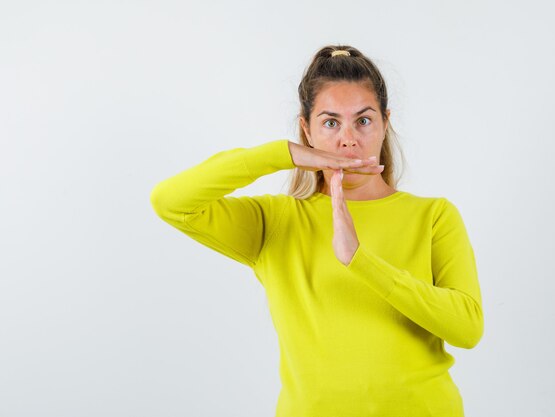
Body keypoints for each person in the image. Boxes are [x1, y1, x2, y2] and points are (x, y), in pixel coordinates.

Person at [150, 45, 484, 417]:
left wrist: (360, 260)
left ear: (385, 123)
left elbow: (467, 328)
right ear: (306, 129)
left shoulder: (433, 215)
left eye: (363, 120)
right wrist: (282, 154)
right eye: (330, 122)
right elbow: (171, 201)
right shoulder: (276, 221)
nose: (348, 138)